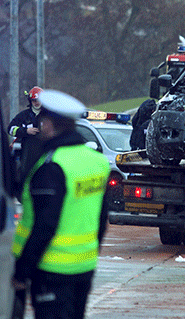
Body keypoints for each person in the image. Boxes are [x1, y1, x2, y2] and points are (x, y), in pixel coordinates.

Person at [11, 89, 111, 319]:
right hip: (83, 267)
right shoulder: (96, 161)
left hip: (51, 269)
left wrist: (22, 271)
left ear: (47, 125)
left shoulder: (53, 166)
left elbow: (45, 225)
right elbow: (102, 217)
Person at [8, 86, 45, 197]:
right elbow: (10, 128)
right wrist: (25, 131)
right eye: (34, 100)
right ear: (30, 101)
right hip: (27, 157)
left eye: (38, 100)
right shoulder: (23, 116)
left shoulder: (48, 116)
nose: (36, 103)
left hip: (45, 154)